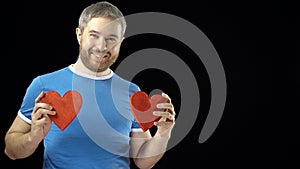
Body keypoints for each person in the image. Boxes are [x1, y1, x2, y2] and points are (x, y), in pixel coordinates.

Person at [4, 1, 176, 169]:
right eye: (94, 35)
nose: (102, 46)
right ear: (79, 35)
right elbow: (11, 151)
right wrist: (33, 137)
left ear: (121, 42)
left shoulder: (131, 93)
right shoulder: (44, 85)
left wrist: (163, 133)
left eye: (111, 39)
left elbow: (142, 161)